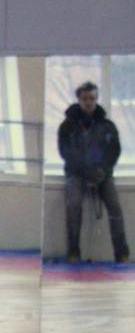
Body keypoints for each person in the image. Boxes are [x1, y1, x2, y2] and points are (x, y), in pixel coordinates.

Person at [57, 81, 129, 265]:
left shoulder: (108, 125)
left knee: (115, 207)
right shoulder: (67, 126)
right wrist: (86, 171)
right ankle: (73, 252)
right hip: (77, 174)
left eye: (91, 98)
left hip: (102, 174)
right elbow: (65, 153)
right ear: (78, 100)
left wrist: (102, 170)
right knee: (73, 205)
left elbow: (114, 151)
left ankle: (122, 254)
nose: (88, 102)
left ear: (96, 99)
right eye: (85, 98)